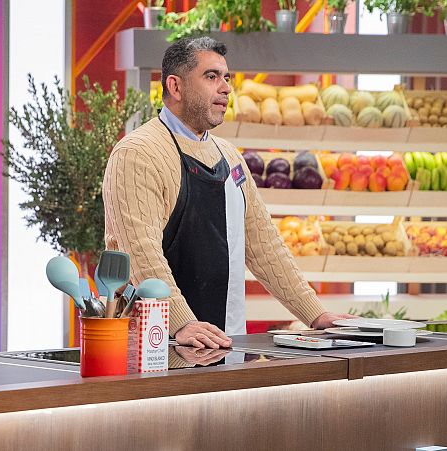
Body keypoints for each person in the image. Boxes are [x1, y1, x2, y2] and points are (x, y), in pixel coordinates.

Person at [102, 36, 353, 349]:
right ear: (175, 87)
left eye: (226, 78)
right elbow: (140, 252)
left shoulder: (231, 158)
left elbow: (265, 246)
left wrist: (316, 314)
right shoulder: (138, 153)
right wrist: (181, 322)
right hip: (157, 345)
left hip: (225, 342)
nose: (225, 87)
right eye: (211, 77)